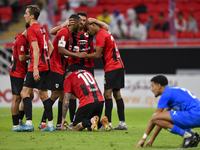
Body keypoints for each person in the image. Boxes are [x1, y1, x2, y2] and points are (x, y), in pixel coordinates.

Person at [50, 11, 109, 130]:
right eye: (80, 20)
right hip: (73, 64)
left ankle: (93, 121)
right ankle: (73, 121)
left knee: (90, 92)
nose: (82, 22)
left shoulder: (89, 30)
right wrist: (64, 24)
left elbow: (106, 28)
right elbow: (52, 32)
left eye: (84, 20)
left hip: (88, 64)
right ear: (76, 20)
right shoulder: (71, 30)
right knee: (71, 94)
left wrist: (95, 21)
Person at [38, 14, 86, 130]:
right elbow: (60, 49)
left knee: (62, 95)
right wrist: (76, 54)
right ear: (73, 23)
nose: (81, 25)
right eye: (79, 23)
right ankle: (43, 122)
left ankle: (59, 123)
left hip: (61, 68)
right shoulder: (64, 32)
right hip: (55, 68)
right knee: (55, 95)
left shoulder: (69, 35)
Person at [136, 75, 200, 148]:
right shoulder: (171, 91)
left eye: (152, 86)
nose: (151, 89)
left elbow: (154, 118)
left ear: (159, 86)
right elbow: (160, 119)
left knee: (155, 117)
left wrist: (143, 139)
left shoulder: (166, 94)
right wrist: (152, 139)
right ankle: (194, 135)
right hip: (195, 115)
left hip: (193, 114)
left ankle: (188, 136)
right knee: (160, 118)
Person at [85, 19, 127, 130]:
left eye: (88, 29)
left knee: (107, 94)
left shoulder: (100, 35)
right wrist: (95, 20)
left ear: (93, 25)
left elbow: (97, 54)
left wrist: (83, 55)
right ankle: (122, 123)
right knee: (117, 94)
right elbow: (106, 26)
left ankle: (108, 123)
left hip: (112, 67)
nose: (88, 32)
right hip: (119, 65)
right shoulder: (105, 31)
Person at [20, 5, 54, 132]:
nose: (24, 15)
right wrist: (45, 60)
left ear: (32, 16)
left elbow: (36, 49)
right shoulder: (42, 28)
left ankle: (28, 123)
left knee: (24, 92)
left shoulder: (32, 29)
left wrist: (35, 68)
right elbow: (51, 48)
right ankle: (50, 125)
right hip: (46, 65)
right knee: (44, 95)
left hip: (37, 66)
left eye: (26, 13)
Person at [10, 23, 33, 131]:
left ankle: (19, 119)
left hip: (23, 72)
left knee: (30, 95)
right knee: (17, 98)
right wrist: (34, 55)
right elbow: (22, 57)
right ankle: (15, 124)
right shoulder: (21, 40)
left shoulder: (25, 39)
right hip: (17, 73)